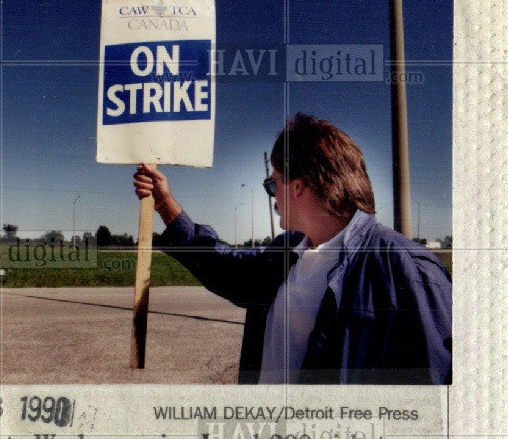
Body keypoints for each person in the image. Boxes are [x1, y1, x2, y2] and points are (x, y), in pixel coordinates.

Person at [133, 113, 452, 385]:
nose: (272, 196)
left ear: (299, 186)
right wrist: (165, 204)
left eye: (272, 184)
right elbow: (226, 268)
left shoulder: (408, 271)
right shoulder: (286, 250)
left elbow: (435, 403)